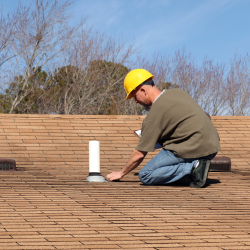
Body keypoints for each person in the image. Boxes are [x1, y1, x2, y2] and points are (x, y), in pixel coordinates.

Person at [106, 69, 221, 188]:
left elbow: (139, 154)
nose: (135, 101)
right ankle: (194, 167)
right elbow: (204, 117)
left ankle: (194, 167)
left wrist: (121, 173)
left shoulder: (154, 116)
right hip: (212, 147)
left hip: (192, 149)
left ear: (143, 90)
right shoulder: (178, 93)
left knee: (146, 174)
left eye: (135, 96)